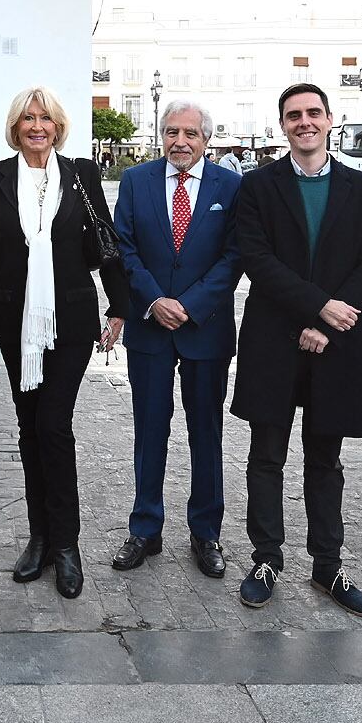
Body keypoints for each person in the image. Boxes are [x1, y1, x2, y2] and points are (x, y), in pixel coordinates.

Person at [230, 84, 362, 617]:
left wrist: (330, 322)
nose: (304, 122)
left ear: (330, 120)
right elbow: (257, 259)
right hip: (275, 338)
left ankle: (327, 567)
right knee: (266, 454)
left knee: (326, 459)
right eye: (294, 115)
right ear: (282, 125)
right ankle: (266, 558)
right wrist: (318, 309)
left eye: (313, 113)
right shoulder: (257, 187)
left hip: (337, 344)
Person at [0, 87, 129, 599]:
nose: (36, 126)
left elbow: (106, 242)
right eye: (27, 118)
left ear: (57, 126)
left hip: (72, 320)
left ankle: (66, 545)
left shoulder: (81, 174)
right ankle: (38, 538)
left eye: (44, 118)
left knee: (52, 425)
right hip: (16, 323)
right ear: (15, 126)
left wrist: (120, 305)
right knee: (28, 427)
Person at [109, 98, 241, 578]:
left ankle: (205, 532)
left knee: (205, 432)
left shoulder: (231, 186)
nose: (180, 142)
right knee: (149, 430)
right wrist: (153, 301)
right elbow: (123, 247)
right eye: (171, 132)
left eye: (190, 133)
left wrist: (190, 305)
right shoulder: (136, 181)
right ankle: (146, 527)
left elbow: (234, 255)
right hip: (150, 327)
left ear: (206, 137)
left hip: (204, 329)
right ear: (161, 135)